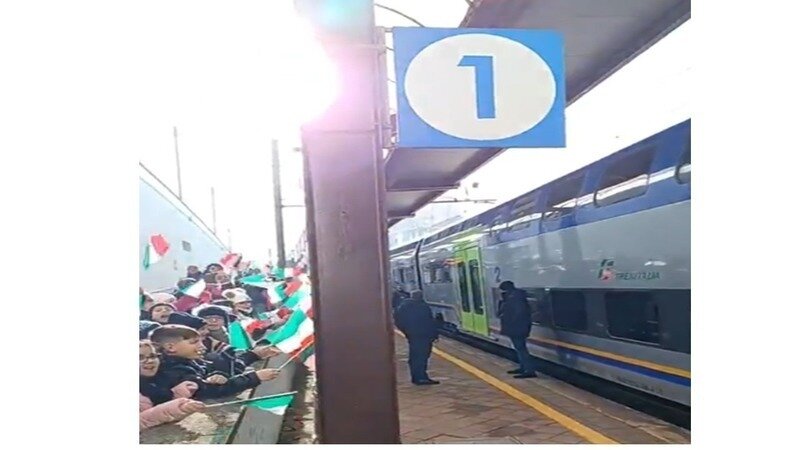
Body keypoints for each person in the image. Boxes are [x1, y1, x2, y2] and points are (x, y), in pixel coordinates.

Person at [139, 340, 205, 430]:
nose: (150, 361)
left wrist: (182, 391)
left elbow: (164, 402)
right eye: (140, 358)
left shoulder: (161, 379)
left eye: (153, 356)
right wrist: (177, 407)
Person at [393, 290, 440, 385]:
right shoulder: (422, 306)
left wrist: (406, 332)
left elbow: (397, 321)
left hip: (415, 336)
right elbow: (429, 322)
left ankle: (418, 377)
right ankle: (421, 377)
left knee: (416, 357)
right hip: (422, 336)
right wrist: (434, 334)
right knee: (421, 357)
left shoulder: (403, 306)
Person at [498, 281, 537, 378]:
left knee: (521, 349)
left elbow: (517, 313)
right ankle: (523, 367)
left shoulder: (516, 298)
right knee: (519, 349)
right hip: (517, 327)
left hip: (518, 328)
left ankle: (529, 370)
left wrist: (509, 322)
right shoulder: (515, 297)